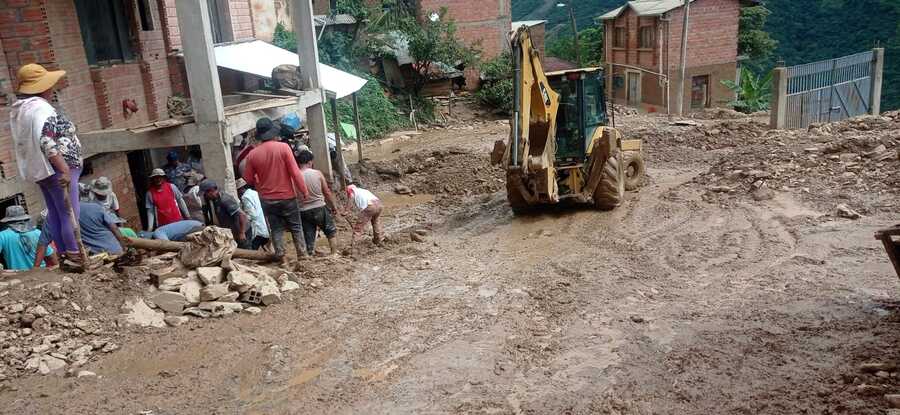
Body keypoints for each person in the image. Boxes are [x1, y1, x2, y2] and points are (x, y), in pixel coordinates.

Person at [10, 63, 83, 264]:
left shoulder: (22, 109)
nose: (52, 89)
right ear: (43, 87)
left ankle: (65, 257)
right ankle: (75, 257)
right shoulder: (41, 108)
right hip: (59, 169)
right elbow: (46, 140)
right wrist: (65, 169)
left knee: (57, 216)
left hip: (43, 172)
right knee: (70, 215)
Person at [243, 117, 309, 261]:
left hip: (267, 199)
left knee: (276, 228)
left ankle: (281, 257)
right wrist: (304, 191)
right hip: (287, 196)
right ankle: (303, 256)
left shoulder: (252, 154)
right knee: (296, 226)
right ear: (273, 133)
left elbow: (247, 179)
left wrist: (259, 181)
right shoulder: (284, 148)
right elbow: (295, 172)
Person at [297, 151, 339, 256]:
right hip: (319, 207)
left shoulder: (295, 176)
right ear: (310, 162)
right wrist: (334, 207)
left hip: (303, 210)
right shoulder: (317, 173)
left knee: (309, 234)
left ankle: (310, 254)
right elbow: (327, 192)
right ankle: (334, 253)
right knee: (330, 230)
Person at [0, 206, 55, 271]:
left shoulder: (2, 235)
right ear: (24, 219)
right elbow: (52, 257)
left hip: (18, 276)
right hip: (40, 275)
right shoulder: (37, 232)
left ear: (8, 220)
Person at [199, 180, 250, 248]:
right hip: (231, 232)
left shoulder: (225, 199)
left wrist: (242, 233)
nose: (204, 196)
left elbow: (242, 215)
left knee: (246, 251)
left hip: (241, 230)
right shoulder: (212, 200)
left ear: (211, 191)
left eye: (205, 194)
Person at [236, 178, 270, 250]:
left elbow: (252, 214)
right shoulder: (254, 193)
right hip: (262, 223)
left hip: (256, 227)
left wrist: (244, 219)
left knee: (253, 248)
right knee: (264, 244)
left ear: (240, 189)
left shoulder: (245, 197)